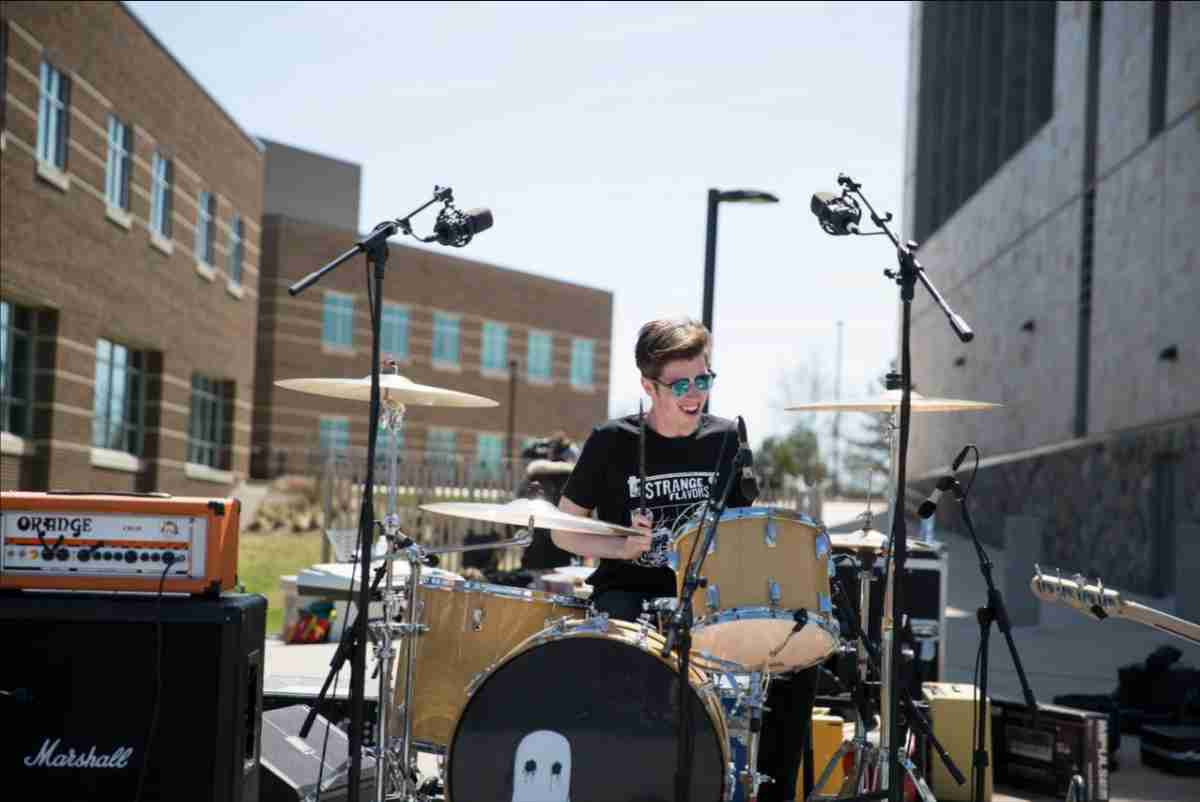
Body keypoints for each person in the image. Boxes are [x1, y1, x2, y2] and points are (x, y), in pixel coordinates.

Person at [551, 317, 816, 802]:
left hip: (706, 602)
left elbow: (742, 533)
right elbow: (562, 529)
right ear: (648, 386)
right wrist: (620, 546)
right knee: (627, 679)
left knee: (796, 661)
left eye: (703, 379)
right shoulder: (612, 440)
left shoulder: (727, 439)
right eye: (681, 384)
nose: (695, 394)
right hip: (629, 595)